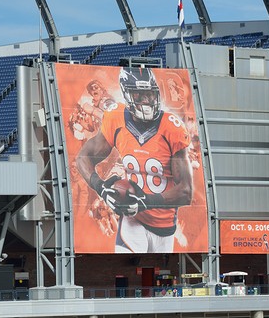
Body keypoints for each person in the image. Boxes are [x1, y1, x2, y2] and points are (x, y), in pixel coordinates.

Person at [76, 67, 193, 253]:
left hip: (165, 226)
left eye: (149, 94)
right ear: (127, 95)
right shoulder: (115, 117)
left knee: (163, 277)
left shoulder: (171, 126)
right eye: (139, 95)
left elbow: (186, 192)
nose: (146, 100)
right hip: (132, 221)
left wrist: (146, 201)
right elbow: (83, 157)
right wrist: (101, 186)